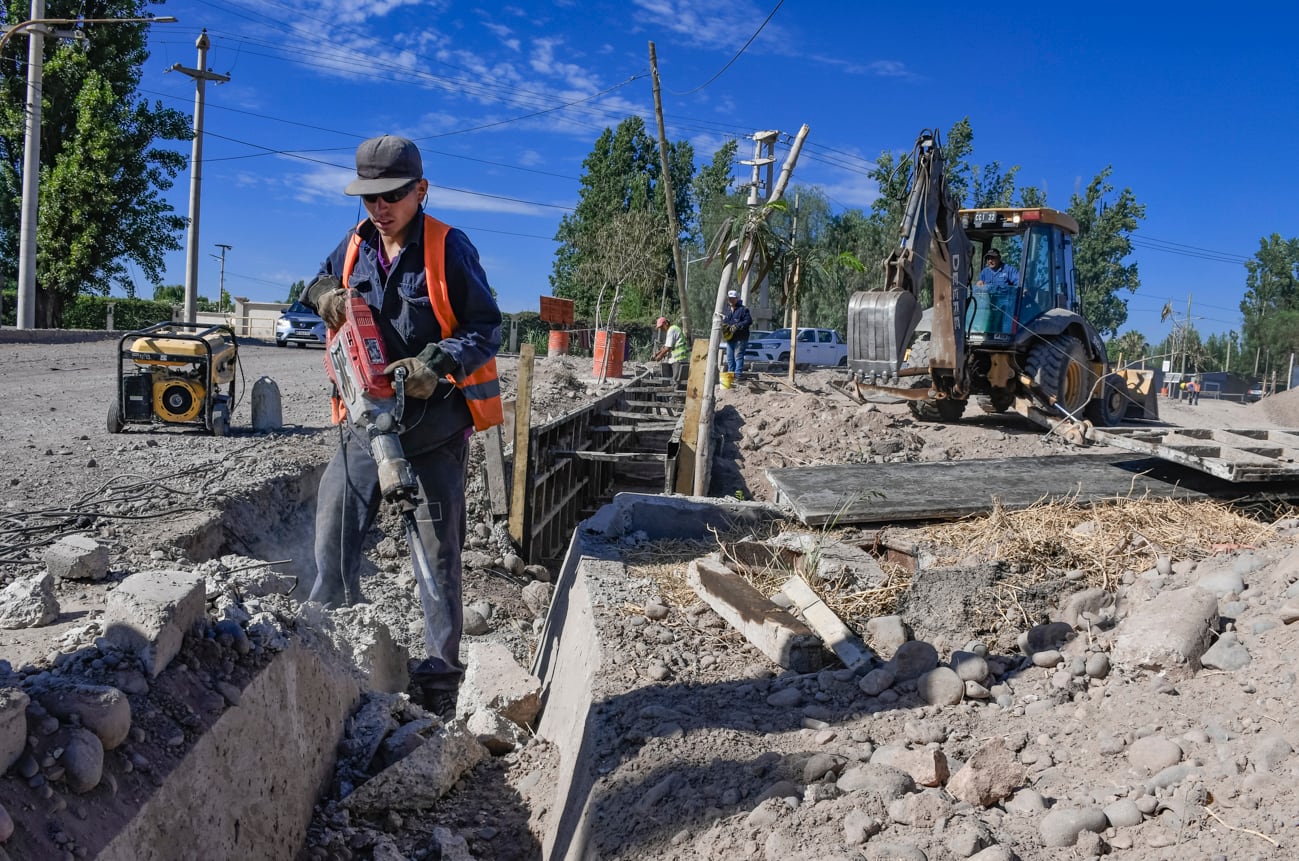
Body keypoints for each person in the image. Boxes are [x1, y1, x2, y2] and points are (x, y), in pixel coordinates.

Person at [301, 135, 503, 717]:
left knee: (436, 551)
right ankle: (328, 640)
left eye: (391, 195)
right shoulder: (355, 243)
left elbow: (485, 325)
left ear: (420, 189)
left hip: (432, 426)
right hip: (365, 421)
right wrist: (329, 299)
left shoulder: (448, 247)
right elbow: (310, 285)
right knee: (334, 525)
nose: (379, 207)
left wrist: (436, 361)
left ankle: (440, 677)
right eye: (369, 197)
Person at [976, 248, 1019, 334]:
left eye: (993, 258)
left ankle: (1006, 335)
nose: (990, 261)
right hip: (989, 304)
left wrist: (1024, 289)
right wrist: (979, 285)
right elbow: (979, 285)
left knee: (1004, 326)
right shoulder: (985, 272)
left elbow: (1019, 282)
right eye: (988, 259)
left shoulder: (1009, 270)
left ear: (999, 258)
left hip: (1005, 306)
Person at [721, 290, 753, 378]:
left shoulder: (743, 310)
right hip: (730, 338)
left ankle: (738, 375)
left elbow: (748, 321)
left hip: (741, 338)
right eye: (729, 299)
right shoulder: (727, 310)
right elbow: (725, 322)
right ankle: (731, 375)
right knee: (730, 358)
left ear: (736, 299)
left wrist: (738, 326)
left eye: (732, 299)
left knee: (738, 356)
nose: (730, 300)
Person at [652, 315, 688, 381]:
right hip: (680, 358)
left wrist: (659, 357)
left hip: (678, 359)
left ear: (666, 323)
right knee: (677, 380)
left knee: (676, 380)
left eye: (662, 327)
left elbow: (667, 348)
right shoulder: (674, 328)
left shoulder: (671, 330)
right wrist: (659, 353)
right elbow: (666, 346)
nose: (662, 329)